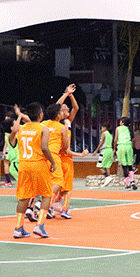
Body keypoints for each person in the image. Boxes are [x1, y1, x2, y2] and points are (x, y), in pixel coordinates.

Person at [13, 102, 56, 239]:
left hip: (24, 164)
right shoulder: (43, 129)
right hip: (38, 163)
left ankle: (18, 228)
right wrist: (53, 161)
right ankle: (40, 226)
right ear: (40, 114)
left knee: (23, 196)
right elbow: (44, 147)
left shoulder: (22, 128)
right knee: (47, 195)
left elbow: (14, 142)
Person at [56, 84, 88, 219]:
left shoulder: (67, 122)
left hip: (61, 158)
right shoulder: (57, 122)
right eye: (64, 108)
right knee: (65, 188)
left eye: (67, 108)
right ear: (59, 112)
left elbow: (76, 108)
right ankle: (62, 209)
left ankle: (52, 206)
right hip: (62, 158)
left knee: (59, 188)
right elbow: (57, 105)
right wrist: (65, 94)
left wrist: (70, 94)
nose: (67, 108)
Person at [42, 103, 69, 220]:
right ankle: (46, 204)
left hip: (42, 156)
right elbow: (66, 147)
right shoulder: (62, 127)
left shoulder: (43, 124)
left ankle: (39, 206)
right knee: (58, 181)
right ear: (58, 115)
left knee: (46, 181)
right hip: (53, 155)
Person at [114, 117, 137, 190]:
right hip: (129, 146)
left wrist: (114, 149)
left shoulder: (118, 128)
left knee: (124, 166)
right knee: (130, 165)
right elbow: (132, 140)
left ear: (122, 122)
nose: (119, 122)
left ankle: (128, 184)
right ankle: (132, 181)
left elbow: (115, 139)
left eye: (120, 121)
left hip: (121, 146)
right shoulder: (129, 129)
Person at [0, 110, 17, 187]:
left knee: (6, 163)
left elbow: (7, 140)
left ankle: (8, 181)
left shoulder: (9, 127)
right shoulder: (16, 127)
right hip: (14, 149)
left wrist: (4, 149)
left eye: (7, 118)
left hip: (8, 148)